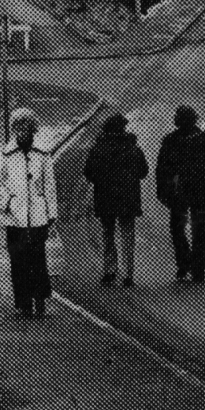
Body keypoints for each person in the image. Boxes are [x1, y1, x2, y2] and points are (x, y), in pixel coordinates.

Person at [0, 107, 59, 318]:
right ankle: (23, 304)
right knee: (18, 260)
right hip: (14, 217)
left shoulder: (42, 153)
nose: (23, 130)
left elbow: (50, 185)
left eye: (27, 126)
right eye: (18, 126)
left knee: (38, 259)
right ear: (14, 129)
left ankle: (39, 300)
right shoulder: (5, 153)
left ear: (33, 128)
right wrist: (9, 199)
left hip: (38, 215)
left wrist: (52, 215)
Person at [155, 104, 205, 283]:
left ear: (178, 121)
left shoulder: (171, 141)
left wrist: (162, 190)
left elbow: (162, 169)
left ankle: (185, 263)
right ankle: (198, 269)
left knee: (177, 229)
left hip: (179, 194)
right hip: (200, 194)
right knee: (199, 230)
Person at [83, 113, 148, 287]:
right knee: (127, 233)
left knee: (107, 233)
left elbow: (88, 172)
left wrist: (102, 180)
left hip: (105, 197)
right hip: (128, 198)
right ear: (123, 128)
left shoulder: (98, 148)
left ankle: (109, 270)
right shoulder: (132, 148)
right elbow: (144, 171)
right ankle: (128, 273)